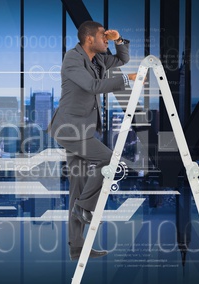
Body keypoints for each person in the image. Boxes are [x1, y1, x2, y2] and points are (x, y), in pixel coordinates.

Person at [48, 21, 137, 260]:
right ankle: (84, 207)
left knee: (77, 187)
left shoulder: (98, 59)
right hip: (70, 130)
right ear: (89, 39)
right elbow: (92, 86)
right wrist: (126, 81)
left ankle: (77, 247)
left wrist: (119, 40)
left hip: (83, 130)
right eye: (102, 37)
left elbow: (122, 59)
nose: (105, 40)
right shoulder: (73, 59)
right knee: (110, 160)